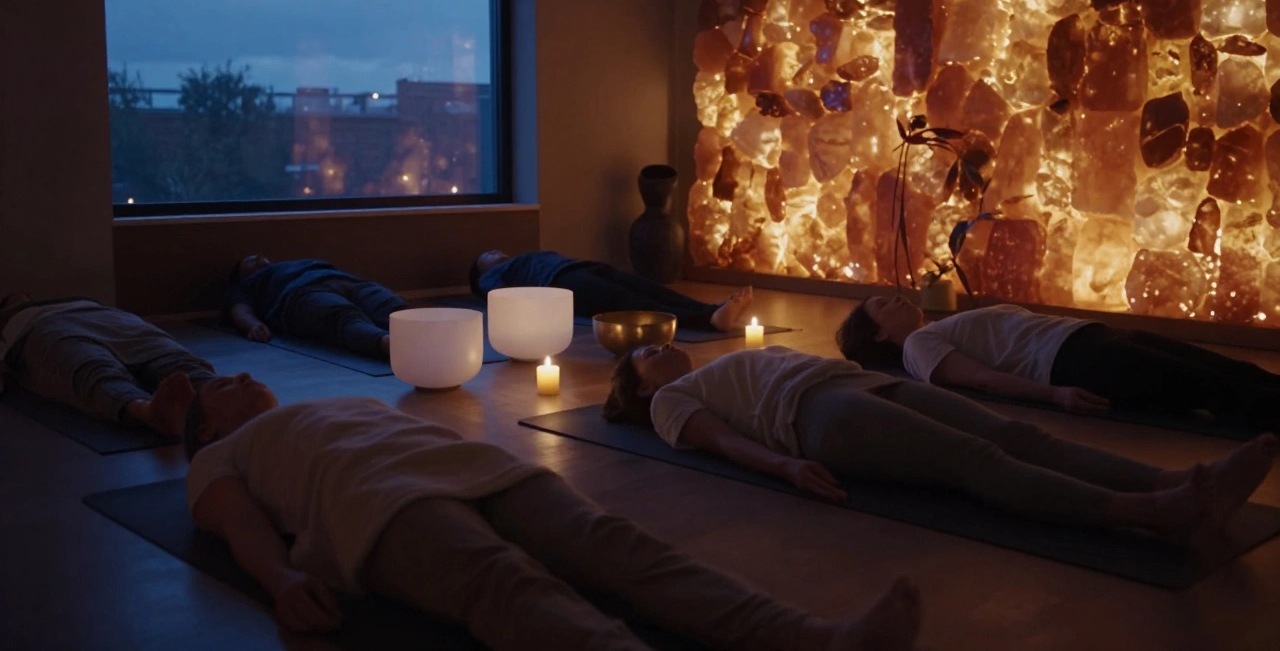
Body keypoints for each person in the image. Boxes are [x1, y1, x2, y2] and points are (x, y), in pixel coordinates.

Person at [184, 393, 925, 651]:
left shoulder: (335, 404)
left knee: (618, 547)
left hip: (475, 469)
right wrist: (281, 580)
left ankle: (814, 639)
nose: (239, 379)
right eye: (219, 387)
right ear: (202, 427)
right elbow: (240, 524)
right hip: (372, 508)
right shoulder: (219, 456)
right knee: (504, 584)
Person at [605, 343, 1278, 543]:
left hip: (859, 385)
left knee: (1020, 434)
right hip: (819, 417)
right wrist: (785, 465)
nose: (657, 346)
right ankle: (1153, 514)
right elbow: (720, 442)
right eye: (642, 354)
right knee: (977, 463)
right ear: (636, 387)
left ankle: (1177, 482)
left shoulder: (716, 361)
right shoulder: (669, 402)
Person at [837, 297, 1280, 428]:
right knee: (1212, 387)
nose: (893, 297)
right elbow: (981, 379)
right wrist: (1056, 395)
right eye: (881, 305)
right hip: (1077, 360)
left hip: (1093, 339)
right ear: (878, 332)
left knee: (1225, 370)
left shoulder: (938, 326)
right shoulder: (918, 345)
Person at [0, 292, 271, 437]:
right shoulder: (13, 322)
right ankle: (148, 411)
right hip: (40, 328)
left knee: (176, 361)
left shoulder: (72, 298)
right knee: (89, 368)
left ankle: (232, 402)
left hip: (108, 317)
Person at [470, 249, 753, 332]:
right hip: (562, 285)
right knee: (631, 302)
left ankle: (712, 310)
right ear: (484, 269)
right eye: (488, 255)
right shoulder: (491, 278)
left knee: (651, 288)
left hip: (583, 267)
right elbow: (497, 297)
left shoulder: (519, 259)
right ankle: (707, 322)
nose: (495, 252)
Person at [225, 255, 408, 359]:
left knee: (393, 307)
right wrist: (252, 325)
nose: (257, 257)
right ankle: (390, 344)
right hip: (300, 294)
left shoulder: (291, 264)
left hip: (346, 282)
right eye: (249, 260)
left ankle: (428, 334)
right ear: (243, 275)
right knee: (341, 317)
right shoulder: (247, 284)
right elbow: (239, 309)